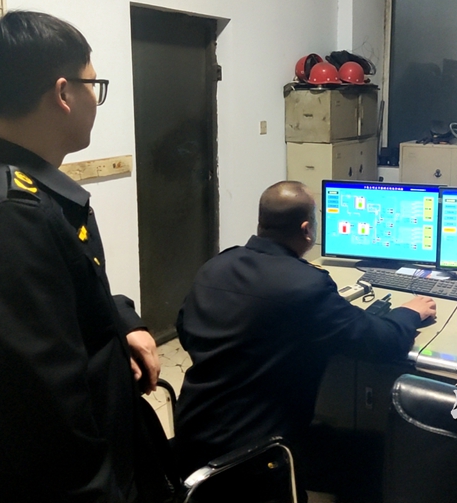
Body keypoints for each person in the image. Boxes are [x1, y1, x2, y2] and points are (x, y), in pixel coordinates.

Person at [0, 11, 164, 502]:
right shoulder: (7, 219)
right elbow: (47, 426)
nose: (95, 101)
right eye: (93, 85)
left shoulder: (17, 190)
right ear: (63, 94)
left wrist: (123, 323)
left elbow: (66, 296)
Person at [174, 181, 436, 486]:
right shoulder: (305, 285)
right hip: (255, 453)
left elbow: (185, 330)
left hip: (192, 435)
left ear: (261, 222)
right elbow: (383, 343)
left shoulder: (214, 266)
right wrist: (409, 312)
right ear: (307, 230)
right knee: (374, 456)